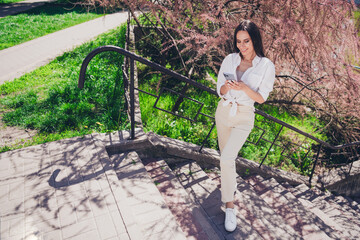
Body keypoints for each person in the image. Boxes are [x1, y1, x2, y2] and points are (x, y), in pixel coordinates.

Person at [215, 20, 275, 232]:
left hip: (244, 116)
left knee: (227, 158)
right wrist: (226, 86)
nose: (242, 46)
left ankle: (229, 207)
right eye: (238, 41)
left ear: (255, 40)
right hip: (223, 111)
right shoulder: (229, 59)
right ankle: (230, 187)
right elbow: (219, 91)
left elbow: (261, 98)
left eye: (246, 41)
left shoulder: (266, 65)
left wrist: (243, 87)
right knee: (225, 157)